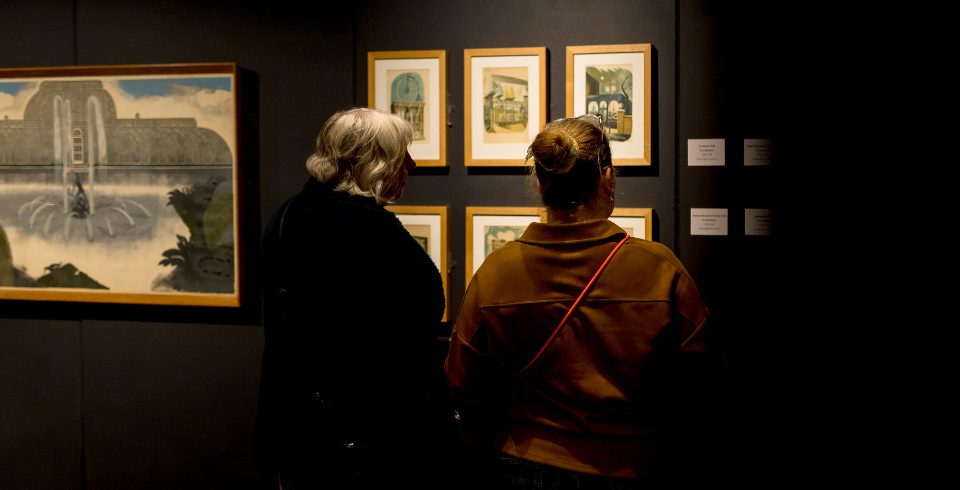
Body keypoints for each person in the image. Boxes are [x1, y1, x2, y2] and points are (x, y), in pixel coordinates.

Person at [445, 114, 719, 489]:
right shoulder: (658, 269)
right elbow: (702, 383)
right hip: (632, 469)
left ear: (541, 185)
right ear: (606, 177)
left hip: (523, 467)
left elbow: (462, 381)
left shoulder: (498, 271)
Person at [255, 108, 449, 489]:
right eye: (401, 154)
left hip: (295, 426)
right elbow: (416, 318)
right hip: (365, 438)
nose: (411, 163)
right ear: (372, 162)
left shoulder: (287, 215)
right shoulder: (373, 231)